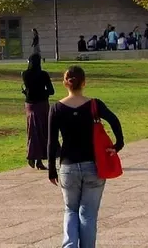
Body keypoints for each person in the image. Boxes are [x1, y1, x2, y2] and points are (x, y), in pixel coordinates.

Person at [48, 65, 123, 248]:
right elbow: (114, 121)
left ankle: (69, 245)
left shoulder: (56, 108)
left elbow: (51, 142)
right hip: (93, 166)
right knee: (88, 213)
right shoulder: (94, 105)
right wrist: (117, 145)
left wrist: (51, 169)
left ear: (65, 83)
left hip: (68, 166)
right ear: (84, 83)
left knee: (70, 209)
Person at [22, 53, 54, 171]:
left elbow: (29, 90)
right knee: (42, 131)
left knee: (33, 130)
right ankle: (39, 159)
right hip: (42, 105)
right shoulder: (43, 75)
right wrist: (43, 93)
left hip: (30, 105)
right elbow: (51, 91)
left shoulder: (25, 74)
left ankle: (33, 156)